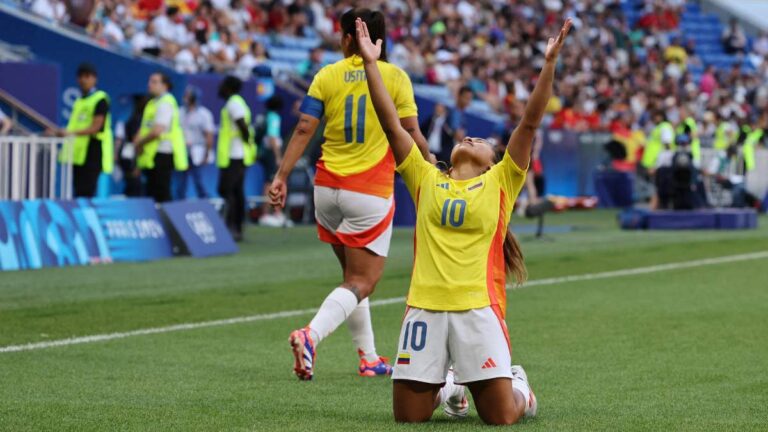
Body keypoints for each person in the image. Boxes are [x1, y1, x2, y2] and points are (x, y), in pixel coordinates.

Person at [355, 17, 571, 424]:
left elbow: (529, 122)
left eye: (482, 142)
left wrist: (550, 63)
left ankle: (519, 383)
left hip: (478, 309)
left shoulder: (503, 182)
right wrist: (370, 64)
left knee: (501, 418)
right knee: (409, 418)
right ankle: (450, 385)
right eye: (466, 137)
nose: (471, 138)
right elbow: (390, 124)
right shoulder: (424, 177)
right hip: (425, 307)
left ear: (493, 163)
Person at [268, 8, 433, 381]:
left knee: (350, 278)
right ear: (381, 40)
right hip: (368, 190)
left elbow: (303, 129)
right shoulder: (394, 77)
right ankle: (310, 336)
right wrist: (432, 166)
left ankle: (369, 358)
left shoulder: (327, 75)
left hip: (326, 189)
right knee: (362, 281)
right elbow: (411, 133)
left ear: (346, 39)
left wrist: (280, 175)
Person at [54, 63, 114, 198]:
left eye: (87, 76)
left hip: (93, 153)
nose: (83, 80)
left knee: (86, 192)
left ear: (94, 79)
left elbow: (96, 127)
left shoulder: (101, 99)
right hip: (78, 154)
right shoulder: (80, 101)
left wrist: (70, 133)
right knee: (78, 190)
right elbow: (74, 126)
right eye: (81, 76)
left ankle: (85, 217)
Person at [135, 72, 188, 202]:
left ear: (165, 85)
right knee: (152, 191)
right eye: (149, 81)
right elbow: (146, 127)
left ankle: (166, 222)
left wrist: (139, 143)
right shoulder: (153, 103)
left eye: (154, 81)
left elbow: (157, 131)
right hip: (152, 154)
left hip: (163, 153)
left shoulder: (166, 103)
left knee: (161, 192)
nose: (149, 84)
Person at [216, 75, 256, 241]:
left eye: (223, 85)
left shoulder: (233, 102)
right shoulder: (236, 102)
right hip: (237, 154)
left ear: (228, 87)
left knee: (227, 189)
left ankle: (231, 225)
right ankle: (237, 227)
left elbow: (242, 124)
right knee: (236, 191)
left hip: (235, 154)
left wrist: (247, 141)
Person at [177, 86, 214, 199]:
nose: (185, 98)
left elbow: (209, 135)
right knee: (180, 182)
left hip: (197, 151)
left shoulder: (204, 114)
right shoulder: (180, 112)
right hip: (182, 151)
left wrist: (206, 154)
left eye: (187, 96)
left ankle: (205, 204)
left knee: (198, 180)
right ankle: (179, 205)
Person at [257, 96, 288, 226]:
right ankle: (269, 214)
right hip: (270, 153)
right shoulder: (274, 117)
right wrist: (278, 157)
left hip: (263, 153)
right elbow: (272, 138)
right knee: (272, 183)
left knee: (269, 182)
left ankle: (272, 213)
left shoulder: (263, 116)